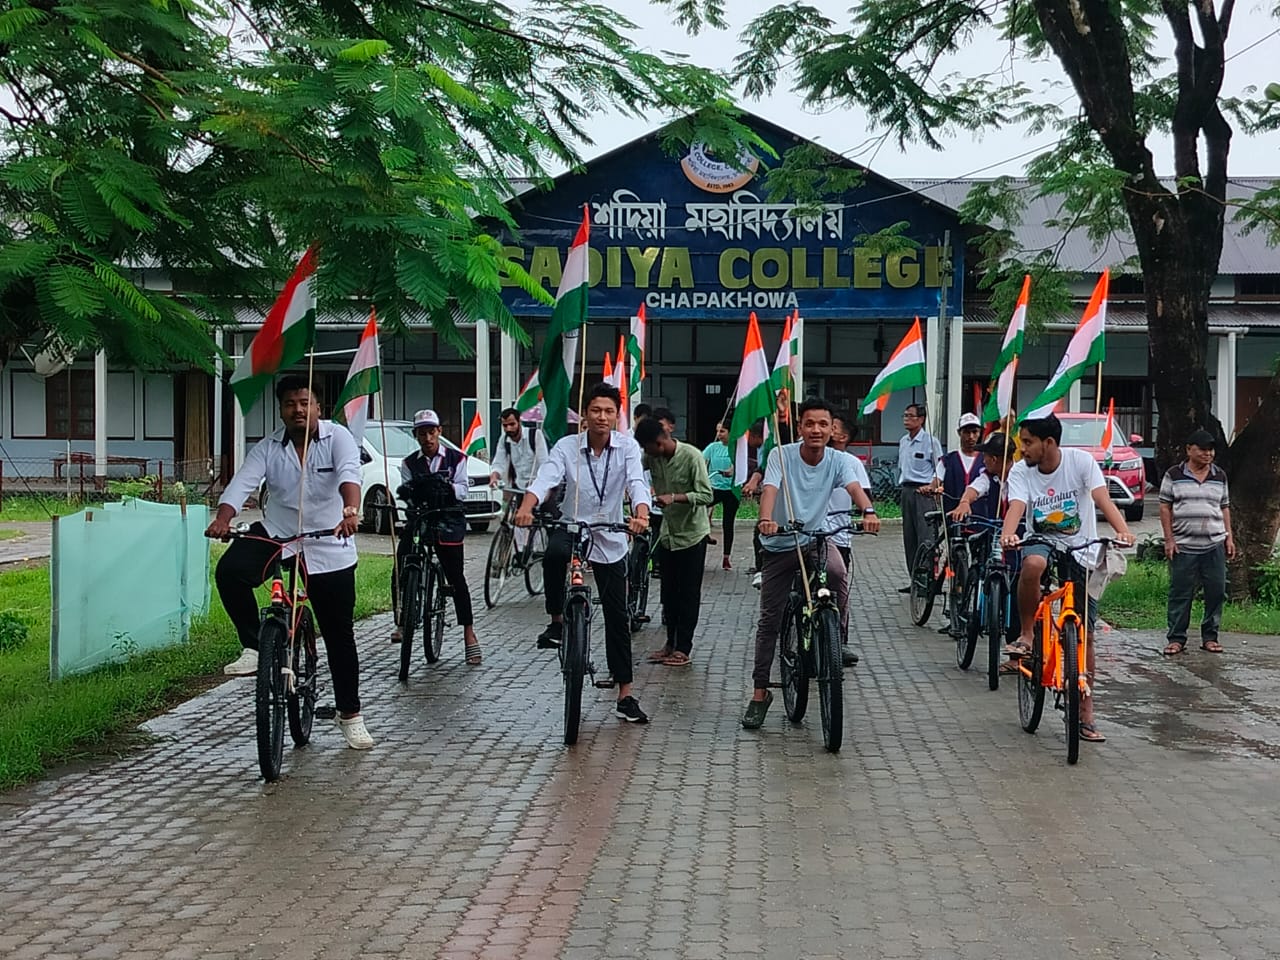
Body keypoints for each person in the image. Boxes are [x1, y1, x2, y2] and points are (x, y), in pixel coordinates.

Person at [207, 375, 373, 750]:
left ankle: (351, 715)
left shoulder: (339, 437)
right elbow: (242, 483)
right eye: (290, 404)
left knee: (338, 635)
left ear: (318, 406)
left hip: (330, 540)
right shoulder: (269, 447)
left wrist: (350, 510)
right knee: (230, 572)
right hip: (280, 533)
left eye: (305, 402)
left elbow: (350, 474)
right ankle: (255, 646)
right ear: (280, 409)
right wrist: (223, 517)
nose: (298, 409)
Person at [516, 383, 653, 724]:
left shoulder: (627, 448)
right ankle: (557, 622)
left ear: (617, 415)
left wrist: (641, 515)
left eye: (609, 411)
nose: (602, 417)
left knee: (617, 616)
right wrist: (526, 506)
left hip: (610, 532)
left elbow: (637, 482)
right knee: (552, 556)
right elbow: (545, 478)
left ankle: (625, 693)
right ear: (585, 414)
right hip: (573, 524)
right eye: (596, 410)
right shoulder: (567, 447)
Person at [741, 398, 881, 729]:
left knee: (837, 572)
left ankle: (831, 635)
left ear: (832, 428)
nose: (816, 430)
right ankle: (760, 693)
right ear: (800, 427)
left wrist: (869, 511)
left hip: (815, 540)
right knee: (770, 620)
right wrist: (765, 520)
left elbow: (854, 487)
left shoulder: (837, 460)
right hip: (779, 543)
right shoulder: (781, 455)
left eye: (823, 424)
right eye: (809, 424)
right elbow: (770, 490)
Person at [999, 414, 1135, 743]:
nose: (1023, 448)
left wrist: (1123, 530)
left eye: (1028, 442)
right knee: (1031, 564)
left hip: (1081, 549)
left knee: (1085, 636)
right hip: (1042, 540)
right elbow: (1017, 506)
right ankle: (1029, 634)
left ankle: (1086, 715)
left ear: (1049, 443)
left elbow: (1102, 498)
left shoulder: (1080, 462)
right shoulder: (1020, 470)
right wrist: (1007, 534)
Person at [394, 409, 481, 664]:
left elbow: (463, 490)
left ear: (439, 432)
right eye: (422, 433)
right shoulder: (409, 463)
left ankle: (469, 633)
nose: (428, 438)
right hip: (422, 517)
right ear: (416, 436)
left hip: (448, 517)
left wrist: (447, 488)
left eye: (432, 432)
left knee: (455, 576)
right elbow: (406, 493)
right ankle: (402, 617)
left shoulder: (457, 459)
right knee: (402, 559)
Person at [635, 416, 713, 667]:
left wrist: (675, 497)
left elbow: (706, 495)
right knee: (668, 592)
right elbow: (635, 474)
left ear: (659, 442)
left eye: (647, 448)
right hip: (667, 534)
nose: (647, 455)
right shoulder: (651, 457)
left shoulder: (692, 456)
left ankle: (683, 648)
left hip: (692, 534)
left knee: (688, 593)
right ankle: (670, 643)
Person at [1159, 428, 1234, 656]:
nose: (1207, 454)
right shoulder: (1174, 475)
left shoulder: (1219, 475)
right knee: (1180, 593)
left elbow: (1224, 507)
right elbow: (1164, 507)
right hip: (1183, 544)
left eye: (1211, 450)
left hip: (1214, 543)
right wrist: (1169, 539)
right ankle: (1176, 638)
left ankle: (1210, 637)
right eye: (1202, 449)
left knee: (1216, 591)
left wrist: (1229, 536)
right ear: (1189, 449)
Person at [827, 411, 871, 667]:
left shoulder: (850, 462)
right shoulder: (808, 455)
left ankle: (839, 641)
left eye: (830, 425)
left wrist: (868, 513)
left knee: (839, 587)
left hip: (838, 535)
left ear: (842, 436)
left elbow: (862, 493)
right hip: (806, 532)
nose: (822, 430)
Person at [898, 403, 944, 591]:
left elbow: (940, 470)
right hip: (907, 491)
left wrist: (932, 487)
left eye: (910, 416)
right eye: (905, 415)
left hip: (924, 493)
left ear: (922, 419)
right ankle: (914, 579)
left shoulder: (931, 442)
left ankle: (928, 581)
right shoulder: (903, 441)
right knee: (910, 537)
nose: (906, 419)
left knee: (926, 537)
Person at [931, 413, 986, 513]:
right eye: (966, 432)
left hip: (980, 519)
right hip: (953, 518)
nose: (971, 437)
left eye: (974, 432)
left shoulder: (986, 460)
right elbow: (935, 482)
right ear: (959, 432)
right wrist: (932, 489)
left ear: (979, 433)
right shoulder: (947, 460)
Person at [702, 420, 738, 570]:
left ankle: (726, 557)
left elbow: (740, 465)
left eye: (722, 431)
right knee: (700, 507)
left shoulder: (736, 447)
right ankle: (704, 533)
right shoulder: (712, 447)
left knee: (727, 523)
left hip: (731, 490)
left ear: (730, 432)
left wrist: (732, 470)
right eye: (717, 431)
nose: (719, 434)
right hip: (714, 488)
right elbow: (702, 461)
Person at [489, 407, 549, 493]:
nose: (508, 429)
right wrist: (494, 477)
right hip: (520, 488)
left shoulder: (535, 435)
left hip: (540, 489)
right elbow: (499, 463)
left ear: (519, 422)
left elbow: (544, 463)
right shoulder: (504, 440)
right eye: (505, 426)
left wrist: (537, 483)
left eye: (512, 424)